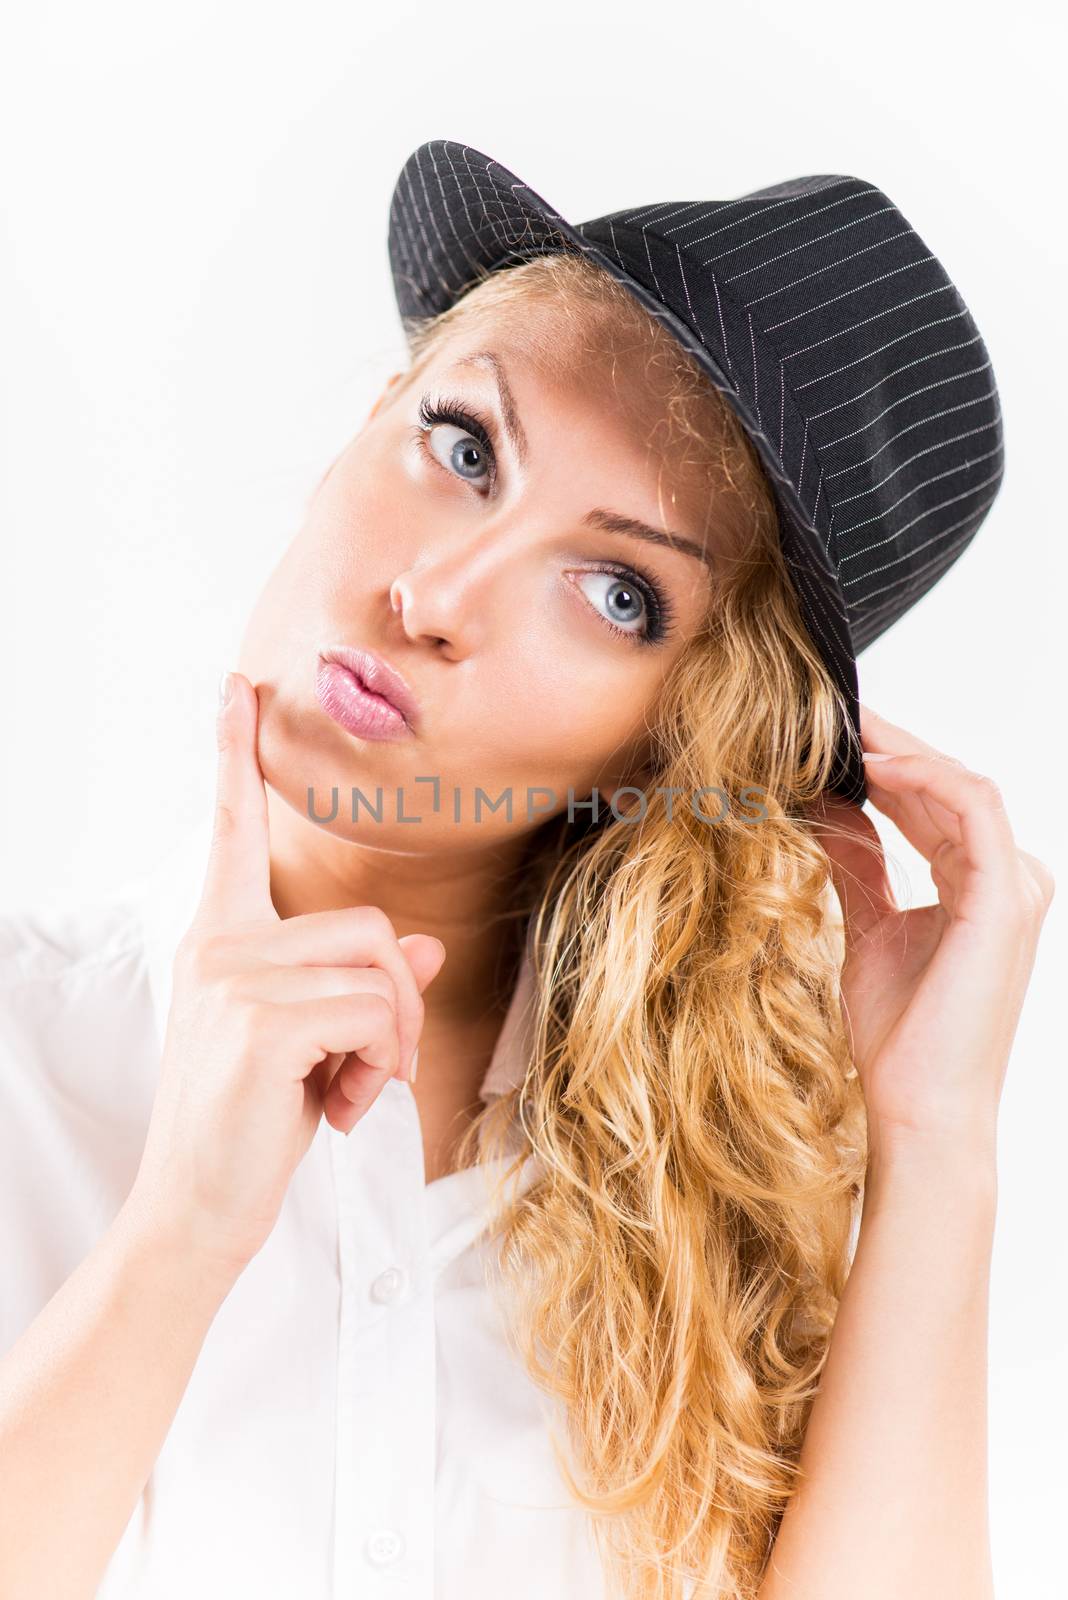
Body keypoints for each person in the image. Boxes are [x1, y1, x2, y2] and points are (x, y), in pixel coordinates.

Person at [0, 233, 1054, 1600]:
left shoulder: (758, 1209)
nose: (435, 598)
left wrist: (936, 1144)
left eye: (620, 594)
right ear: (360, 429)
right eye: (462, 446)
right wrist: (182, 1230)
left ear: (675, 742)